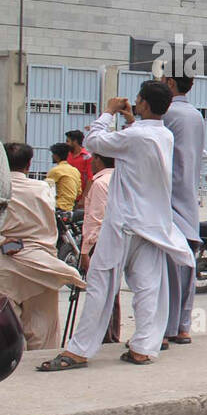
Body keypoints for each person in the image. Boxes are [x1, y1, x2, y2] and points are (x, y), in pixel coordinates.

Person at [37, 84, 194, 369]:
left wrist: (108, 112)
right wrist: (132, 118)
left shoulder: (134, 136)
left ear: (144, 105)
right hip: (151, 224)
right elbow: (139, 136)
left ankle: (80, 350)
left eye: (137, 103)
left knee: (101, 283)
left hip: (123, 223)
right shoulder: (164, 135)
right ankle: (144, 348)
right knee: (147, 286)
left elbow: (95, 142)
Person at [0, 142, 86, 349]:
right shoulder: (42, 189)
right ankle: (41, 361)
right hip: (41, 263)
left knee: (5, 323)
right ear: (29, 164)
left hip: (5, 264)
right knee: (43, 327)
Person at [162, 73, 204, 346]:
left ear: (170, 82)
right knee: (186, 265)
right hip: (189, 198)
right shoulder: (196, 115)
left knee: (166, 270)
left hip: (168, 198)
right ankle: (183, 326)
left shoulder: (167, 114)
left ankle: (166, 328)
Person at [80, 152, 120, 342]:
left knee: (99, 291)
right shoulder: (121, 179)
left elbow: (95, 220)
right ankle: (111, 335)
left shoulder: (99, 183)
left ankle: (100, 336)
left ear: (99, 160)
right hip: (117, 241)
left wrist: (85, 251)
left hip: (100, 243)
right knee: (113, 291)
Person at [44, 143, 81, 212]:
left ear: (56, 156)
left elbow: (46, 189)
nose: (52, 156)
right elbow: (78, 192)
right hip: (71, 207)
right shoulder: (75, 171)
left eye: (53, 154)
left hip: (58, 207)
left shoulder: (55, 171)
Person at [65, 129, 94, 201]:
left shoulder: (87, 156)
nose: (66, 144)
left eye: (68, 141)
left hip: (79, 197)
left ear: (75, 142)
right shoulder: (66, 155)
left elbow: (90, 178)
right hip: (67, 195)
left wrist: (84, 198)